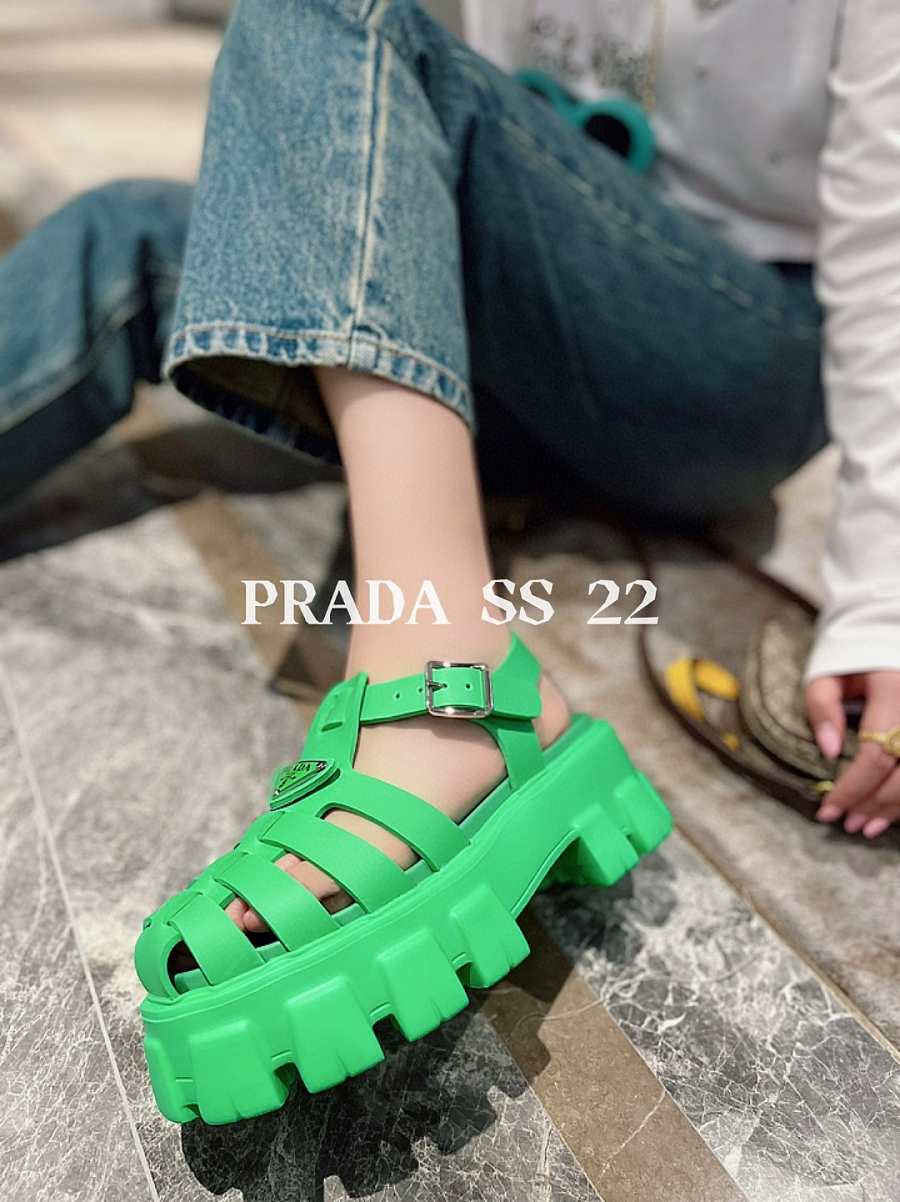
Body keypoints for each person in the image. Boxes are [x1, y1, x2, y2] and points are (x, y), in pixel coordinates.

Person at [2, 0, 899, 1115]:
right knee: (132, 229)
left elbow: (889, 251)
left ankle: (447, 665)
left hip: (721, 362)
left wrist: (885, 596)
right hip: (514, 314)